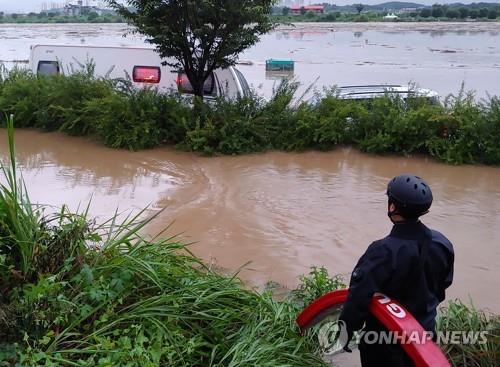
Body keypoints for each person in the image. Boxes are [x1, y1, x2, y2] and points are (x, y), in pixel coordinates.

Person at [338, 174, 454, 367]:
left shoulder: (382, 251)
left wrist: (346, 331)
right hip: (424, 339)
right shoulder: (442, 244)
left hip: (384, 344)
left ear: (392, 207)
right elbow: (443, 285)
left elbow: (358, 297)